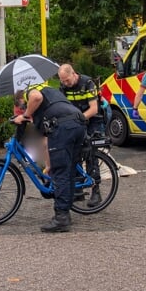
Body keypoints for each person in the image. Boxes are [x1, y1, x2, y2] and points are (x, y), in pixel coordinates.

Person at [13, 82, 87, 232]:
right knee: (68, 172)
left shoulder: (30, 92)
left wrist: (25, 115)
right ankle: (66, 213)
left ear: (22, 99)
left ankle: (61, 218)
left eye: (23, 106)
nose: (24, 110)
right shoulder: (48, 94)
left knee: (60, 173)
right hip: (77, 123)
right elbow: (46, 142)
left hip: (64, 127)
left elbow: (36, 97)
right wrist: (48, 165)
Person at [58, 63, 104, 207]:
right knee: (73, 153)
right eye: (62, 81)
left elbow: (94, 109)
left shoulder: (87, 83)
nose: (65, 83)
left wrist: (78, 119)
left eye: (67, 80)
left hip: (92, 121)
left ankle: (96, 191)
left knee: (90, 154)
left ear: (73, 74)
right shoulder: (64, 87)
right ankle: (78, 189)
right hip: (76, 121)